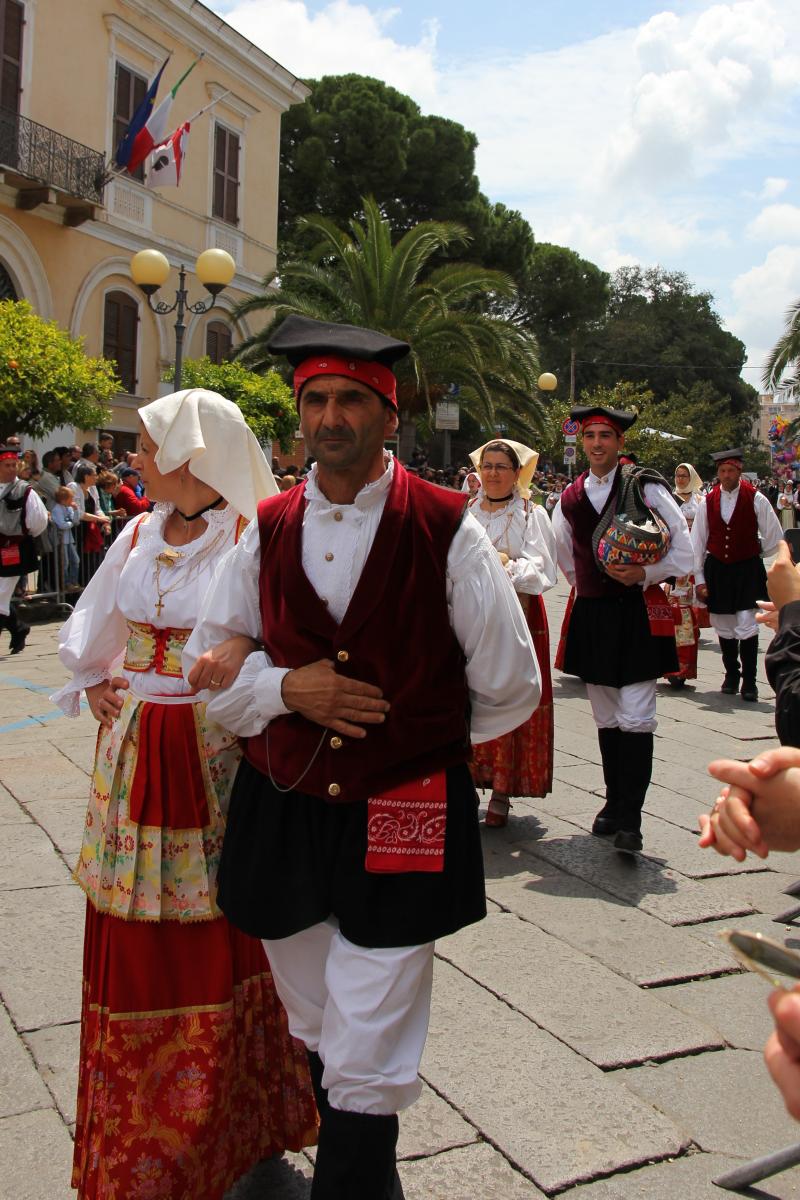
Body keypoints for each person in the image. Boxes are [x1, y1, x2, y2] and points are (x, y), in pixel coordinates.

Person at [185, 314, 540, 1199]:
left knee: (370, 1029)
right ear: (299, 415)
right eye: (316, 400)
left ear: (390, 417)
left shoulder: (449, 529)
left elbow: (510, 686)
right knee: (316, 1017)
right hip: (286, 805)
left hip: (405, 801)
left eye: (352, 400)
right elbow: (210, 672)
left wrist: (413, 736)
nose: (331, 417)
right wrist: (282, 690)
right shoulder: (261, 530)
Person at [51, 389, 317, 1200]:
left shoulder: (253, 537)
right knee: (135, 924)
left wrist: (239, 663)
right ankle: (144, 1128)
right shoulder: (135, 532)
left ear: (194, 459)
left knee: (224, 920)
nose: (133, 458)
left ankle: (227, 1118)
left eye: (145, 446)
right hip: (134, 752)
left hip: (215, 753)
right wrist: (94, 679)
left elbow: (282, 641)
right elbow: (95, 627)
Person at [552, 405, 693, 853]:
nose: (596, 444)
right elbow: (562, 553)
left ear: (620, 443)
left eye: (605, 436)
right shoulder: (570, 496)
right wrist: (587, 586)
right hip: (594, 613)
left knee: (636, 714)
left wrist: (645, 576)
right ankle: (613, 804)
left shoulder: (644, 486)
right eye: (590, 436)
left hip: (635, 612)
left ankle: (631, 817)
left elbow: (684, 551)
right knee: (607, 714)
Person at [467, 439, 557, 825]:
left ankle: (503, 788)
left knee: (510, 696)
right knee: (468, 697)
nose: (492, 473)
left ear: (518, 473)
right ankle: (467, 779)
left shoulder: (531, 514)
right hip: (471, 618)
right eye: (487, 465)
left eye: (501, 466)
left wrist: (503, 569)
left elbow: (542, 569)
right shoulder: (467, 510)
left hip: (517, 615)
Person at [692, 448, 783, 702]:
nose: (726, 475)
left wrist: (756, 552)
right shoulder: (707, 501)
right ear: (718, 473)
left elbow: (775, 536)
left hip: (746, 570)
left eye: (731, 470)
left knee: (747, 622)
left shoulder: (756, 498)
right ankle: (731, 674)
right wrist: (699, 579)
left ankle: (750, 682)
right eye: (722, 471)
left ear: (739, 471)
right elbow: (697, 542)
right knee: (724, 624)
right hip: (718, 569)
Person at [0, 444, 48, 651]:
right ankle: (19, 627)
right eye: (6, 465)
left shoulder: (25, 491)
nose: (11, 469)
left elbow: (38, 522)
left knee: (0, 595)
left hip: (11, 551)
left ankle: (18, 627)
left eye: (14, 465)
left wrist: (17, 538)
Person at [664, 462, 706, 689]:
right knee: (670, 613)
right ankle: (668, 665)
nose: (680, 479)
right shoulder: (669, 498)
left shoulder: (701, 501)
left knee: (687, 616)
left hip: (692, 561)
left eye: (683, 475)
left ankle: (684, 667)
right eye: (677, 475)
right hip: (672, 561)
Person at [51, 485, 81, 590]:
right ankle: (66, 583)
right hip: (61, 540)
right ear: (64, 499)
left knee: (75, 560)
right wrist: (70, 523)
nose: (72, 500)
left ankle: (74, 581)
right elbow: (62, 525)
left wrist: (76, 511)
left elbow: (76, 521)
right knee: (65, 563)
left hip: (69, 539)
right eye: (71, 498)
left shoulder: (69, 508)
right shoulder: (56, 509)